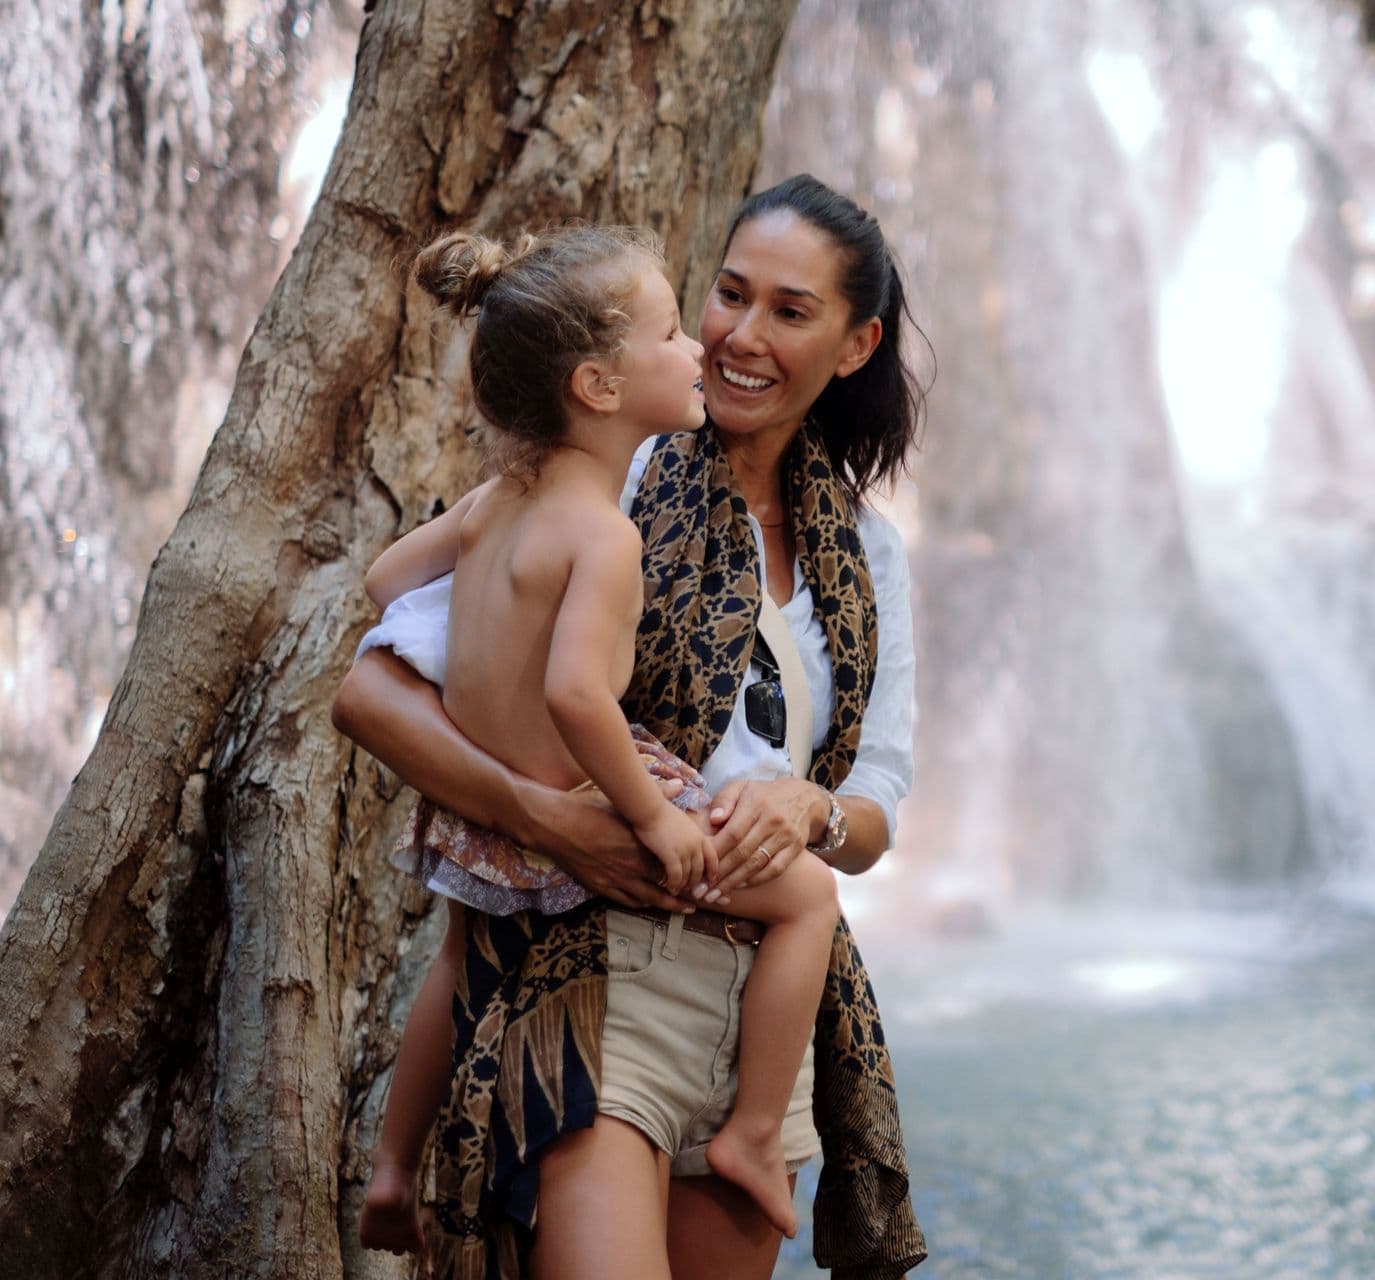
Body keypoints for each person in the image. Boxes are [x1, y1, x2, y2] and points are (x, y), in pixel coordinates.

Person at [332, 174, 928, 1279]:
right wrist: (551, 817)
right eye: (727, 295)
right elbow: (371, 690)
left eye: (789, 312)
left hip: (763, 1016)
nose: (739, 337)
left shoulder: (867, 555)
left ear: (855, 345)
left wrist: (809, 808)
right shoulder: (612, 464)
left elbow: (875, 806)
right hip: (596, 982)